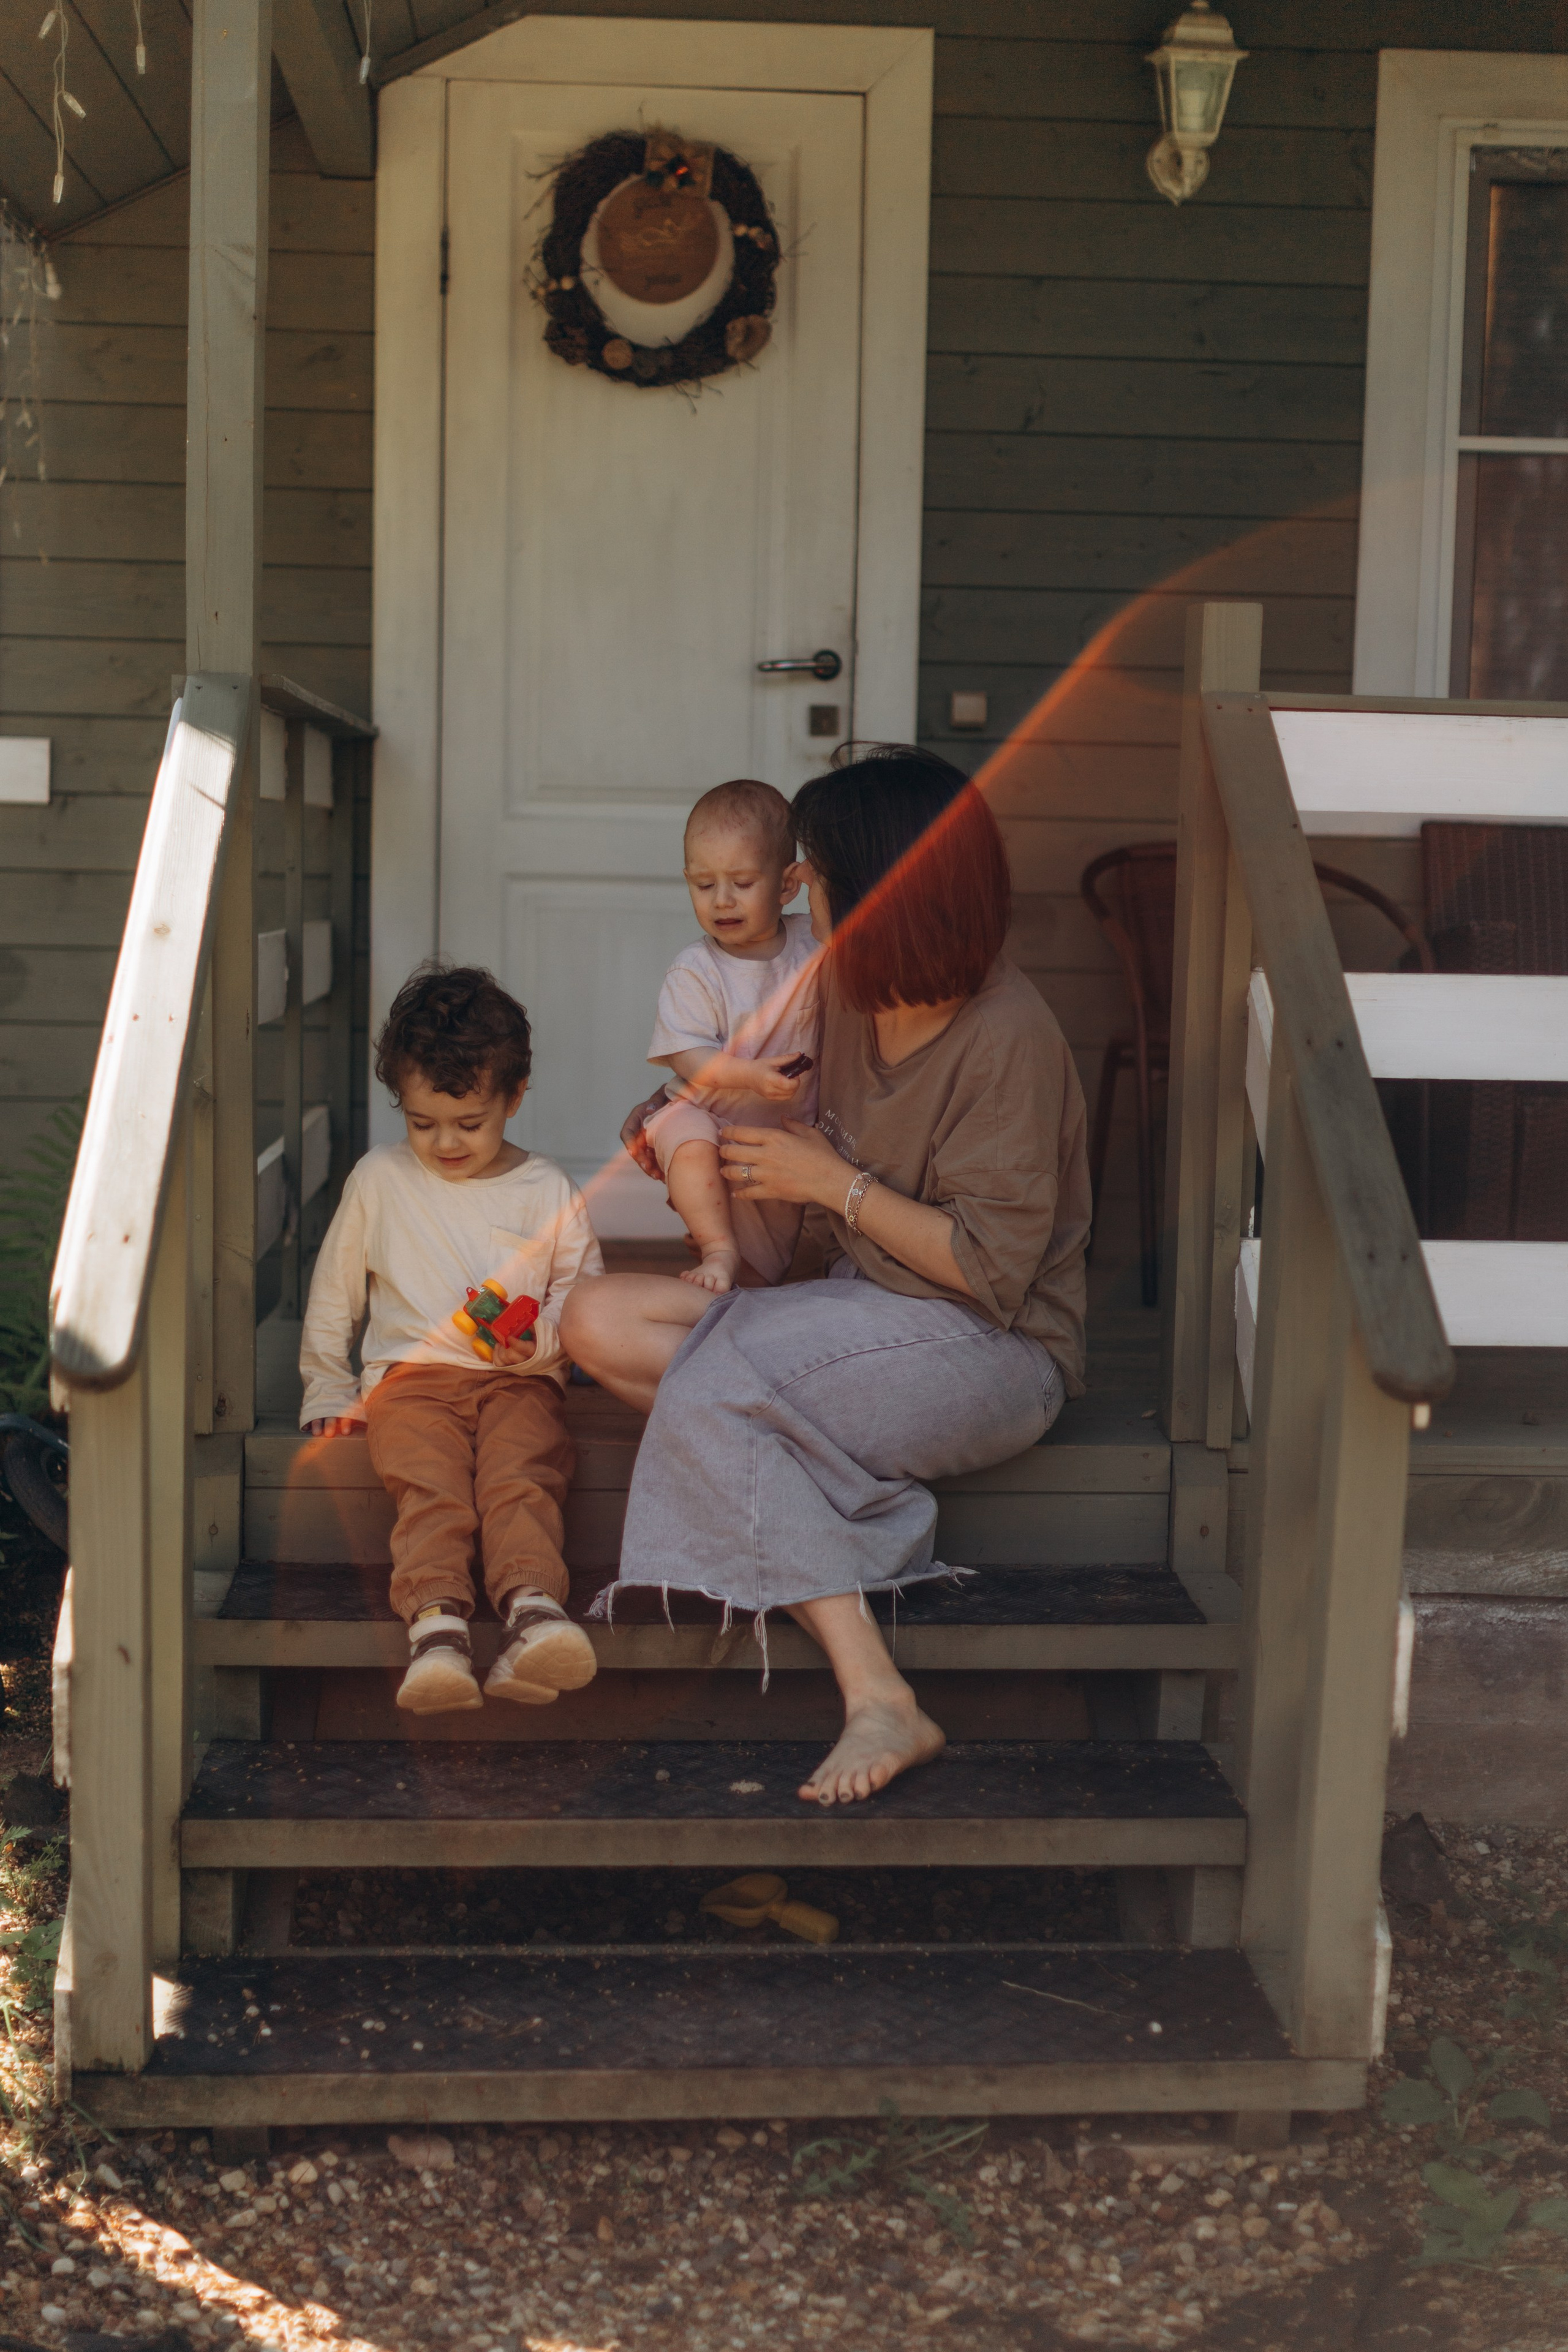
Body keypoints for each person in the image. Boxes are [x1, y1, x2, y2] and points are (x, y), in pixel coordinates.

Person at [562, 745, 1091, 1806]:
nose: (797, 890)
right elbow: (761, 1108)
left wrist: (833, 1185)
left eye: (817, 874)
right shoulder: (845, 992)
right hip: (854, 1314)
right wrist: (689, 1129)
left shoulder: (1009, 1038)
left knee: (716, 1385)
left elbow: (990, 1273)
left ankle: (881, 1696)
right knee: (594, 1318)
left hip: (991, 1345)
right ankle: (837, 1488)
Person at [300, 963, 603, 1716]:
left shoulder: (548, 1190)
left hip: (518, 1381)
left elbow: (581, 1293)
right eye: (420, 1122)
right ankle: (437, 1630)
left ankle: (533, 1613)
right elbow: (336, 1292)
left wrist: (536, 1350)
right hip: (411, 1382)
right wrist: (328, 1387)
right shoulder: (379, 1180)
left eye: (469, 1123)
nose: (444, 1143)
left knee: (521, 1474)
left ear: (514, 1098)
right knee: (431, 1488)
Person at [644, 778, 820, 1292]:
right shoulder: (697, 969)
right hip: (709, 1117)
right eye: (703, 885)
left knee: (766, 1262)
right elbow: (688, 1057)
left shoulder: (814, 940)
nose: (722, 900)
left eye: (742, 883)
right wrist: (746, 1075)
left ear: (788, 885)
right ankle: (716, 1251)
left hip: (782, 1128)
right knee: (685, 1133)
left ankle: (742, 1293)